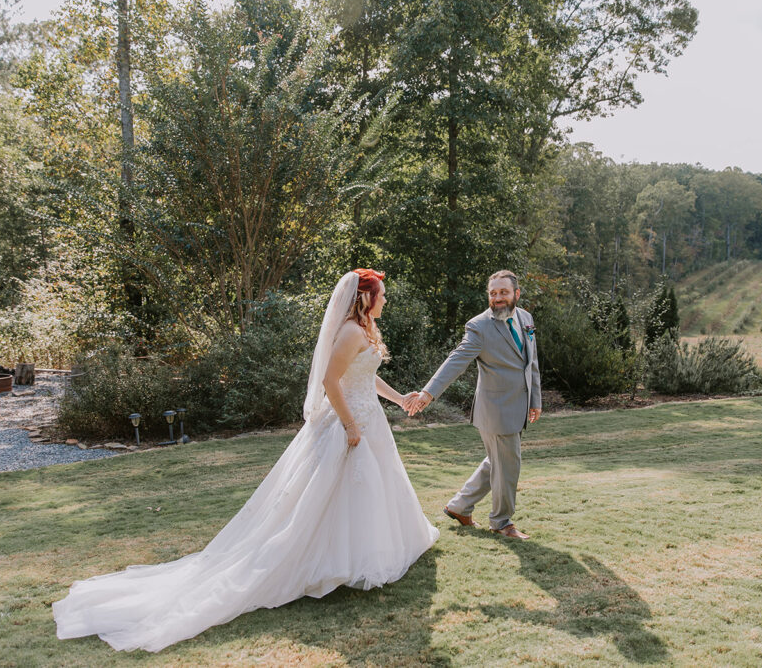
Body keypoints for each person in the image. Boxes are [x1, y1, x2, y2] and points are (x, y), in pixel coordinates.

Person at [53, 269, 438, 652]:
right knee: (334, 493)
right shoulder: (352, 331)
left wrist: (399, 398)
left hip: (369, 419)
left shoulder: (364, 329)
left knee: (367, 490)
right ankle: (332, 564)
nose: (385, 300)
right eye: (382, 294)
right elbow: (330, 383)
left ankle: (358, 558)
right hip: (348, 424)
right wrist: (350, 425)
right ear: (365, 298)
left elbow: (364, 377)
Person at [405, 269, 541, 540]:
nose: (498, 298)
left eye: (503, 292)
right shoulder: (479, 326)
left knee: (497, 463)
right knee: (508, 465)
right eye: (493, 293)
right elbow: (456, 361)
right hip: (495, 410)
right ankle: (501, 522)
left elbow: (531, 362)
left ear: (516, 293)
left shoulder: (526, 317)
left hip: (519, 405)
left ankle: (459, 506)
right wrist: (428, 393)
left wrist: (534, 399)